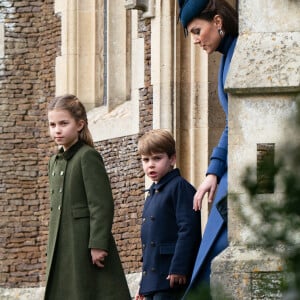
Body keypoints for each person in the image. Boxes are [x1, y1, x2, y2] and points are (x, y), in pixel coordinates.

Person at [177, 0, 238, 298]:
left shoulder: (240, 52)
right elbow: (233, 122)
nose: (197, 40)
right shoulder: (227, 58)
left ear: (218, 21)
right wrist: (213, 172)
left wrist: (215, 171)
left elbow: (236, 123)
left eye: (198, 31)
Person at [44, 94, 131, 300]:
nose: (57, 129)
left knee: (87, 293)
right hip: (61, 244)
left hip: (83, 244)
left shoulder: (87, 156)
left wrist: (98, 244)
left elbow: (101, 204)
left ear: (80, 124)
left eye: (64, 123)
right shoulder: (54, 162)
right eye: (52, 124)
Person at [135, 129, 202, 300]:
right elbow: (150, 243)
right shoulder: (152, 193)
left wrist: (179, 267)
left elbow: (188, 229)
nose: (150, 164)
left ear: (172, 159)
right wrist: (144, 284)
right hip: (154, 281)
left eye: (157, 158)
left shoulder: (180, 187)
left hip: (171, 275)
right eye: (145, 159)